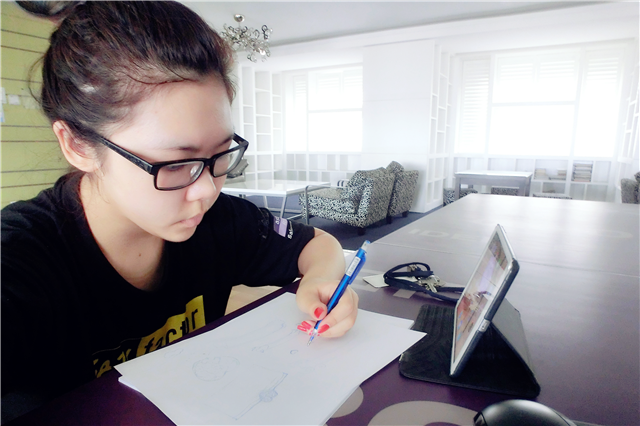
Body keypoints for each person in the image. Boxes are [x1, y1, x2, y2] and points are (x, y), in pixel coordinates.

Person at [0, 0, 358, 421]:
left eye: (221, 153)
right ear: (78, 145)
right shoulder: (22, 260)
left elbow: (319, 243)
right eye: (174, 164)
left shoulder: (217, 222)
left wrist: (320, 280)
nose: (206, 190)